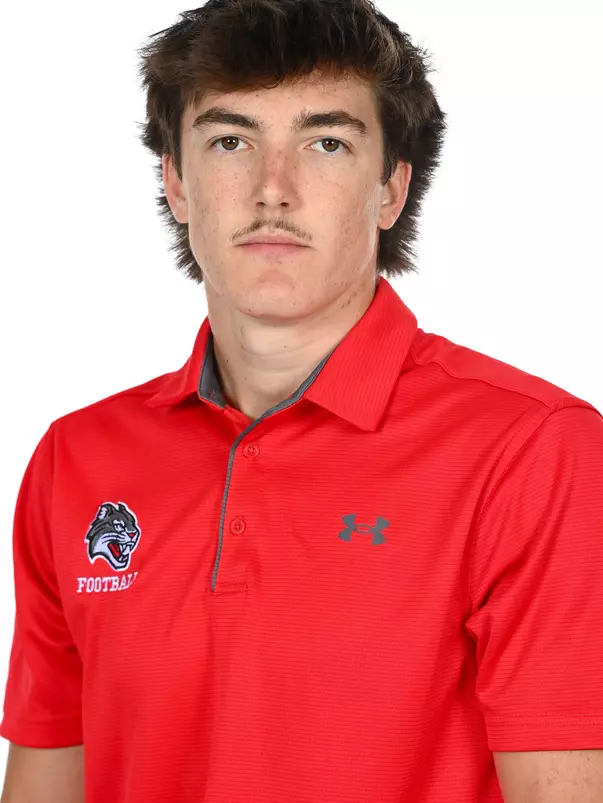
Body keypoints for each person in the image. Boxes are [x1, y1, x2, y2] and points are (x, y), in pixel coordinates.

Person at [1, 0, 602, 801]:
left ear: (389, 190)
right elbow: (50, 777)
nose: (272, 188)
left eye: (325, 143)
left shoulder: (532, 448)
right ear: (177, 184)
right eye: (230, 141)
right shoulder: (76, 458)